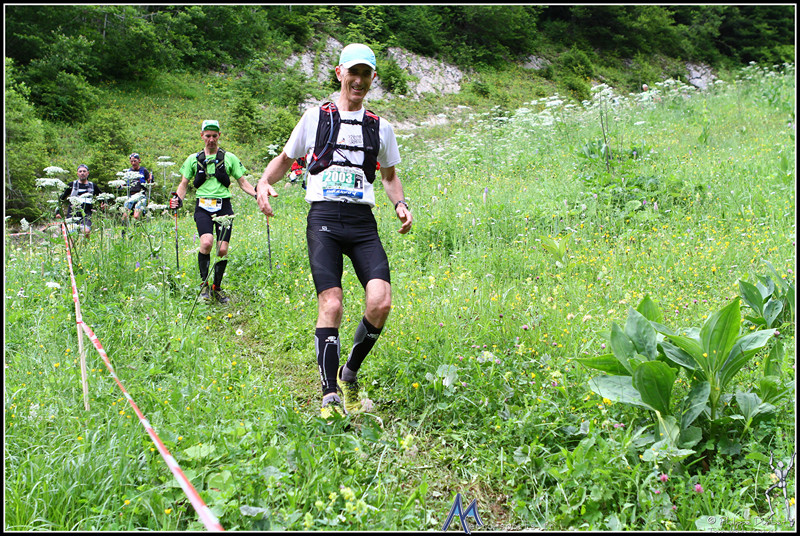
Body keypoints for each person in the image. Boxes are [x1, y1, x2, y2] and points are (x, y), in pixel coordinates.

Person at [256, 43, 413, 418]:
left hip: (362, 222)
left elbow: (389, 176)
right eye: (352, 72)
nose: (358, 80)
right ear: (340, 73)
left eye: (365, 74)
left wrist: (400, 204)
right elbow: (286, 159)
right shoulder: (315, 117)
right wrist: (263, 183)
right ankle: (330, 397)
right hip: (324, 218)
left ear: (373, 78)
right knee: (332, 304)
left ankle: (349, 373)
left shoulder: (381, 127)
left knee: (381, 302)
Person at [169, 120, 257, 304]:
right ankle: (204, 286)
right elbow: (183, 184)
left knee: (222, 249)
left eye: (214, 136)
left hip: (224, 206)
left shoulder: (229, 158)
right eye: (207, 136)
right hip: (202, 206)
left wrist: (258, 195)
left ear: (219, 136)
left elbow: (242, 182)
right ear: (202, 136)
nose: (211, 139)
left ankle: (217, 288)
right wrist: (178, 199)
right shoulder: (193, 159)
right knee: (207, 243)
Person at [58, 164, 104, 238]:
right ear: (77, 173)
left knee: (86, 231)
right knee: (71, 235)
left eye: (84, 171)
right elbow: (60, 199)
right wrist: (58, 212)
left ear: (88, 173)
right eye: (80, 171)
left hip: (86, 215)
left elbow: (102, 196)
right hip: (72, 214)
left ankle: (86, 245)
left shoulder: (92, 186)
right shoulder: (71, 185)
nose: (82, 173)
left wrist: (103, 204)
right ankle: (72, 246)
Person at [121, 153, 153, 222]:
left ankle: (137, 227)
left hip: (141, 196)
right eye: (131, 161)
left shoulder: (143, 170)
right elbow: (124, 183)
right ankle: (123, 228)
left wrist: (150, 179)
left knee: (136, 216)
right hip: (130, 196)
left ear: (139, 160)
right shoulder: (128, 172)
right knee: (125, 215)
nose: (133, 163)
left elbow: (150, 182)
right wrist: (119, 186)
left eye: (135, 161)